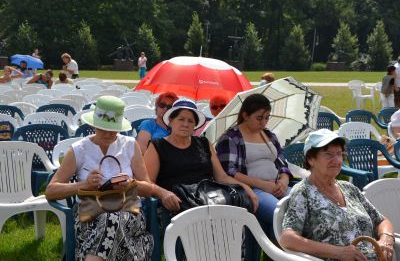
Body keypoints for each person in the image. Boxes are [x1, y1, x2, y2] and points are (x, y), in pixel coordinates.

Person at [45, 96, 159, 260]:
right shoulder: (79, 149)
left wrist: (130, 184)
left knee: (112, 219)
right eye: (102, 128)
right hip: (90, 216)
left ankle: (90, 257)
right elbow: (50, 191)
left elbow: (148, 188)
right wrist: (85, 185)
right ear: (93, 125)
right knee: (110, 220)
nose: (108, 134)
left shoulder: (129, 145)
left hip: (128, 213)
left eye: (113, 129)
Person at [280, 129, 395, 261]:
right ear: (311, 159)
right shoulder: (303, 192)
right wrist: (338, 252)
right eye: (328, 154)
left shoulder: (349, 188)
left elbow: (381, 220)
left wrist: (386, 239)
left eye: (339, 154)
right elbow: (288, 239)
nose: (336, 160)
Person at [143, 98, 258, 213]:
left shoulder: (203, 143)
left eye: (190, 121)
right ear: (171, 120)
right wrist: (163, 193)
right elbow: (147, 181)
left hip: (209, 198)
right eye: (181, 119)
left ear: (195, 125)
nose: (185, 124)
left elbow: (222, 177)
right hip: (176, 204)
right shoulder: (157, 146)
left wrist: (245, 187)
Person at [215, 93, 291, 240]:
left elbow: (282, 163)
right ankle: (278, 253)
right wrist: (262, 184)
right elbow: (229, 172)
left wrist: (283, 181)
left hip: (277, 186)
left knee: (304, 205)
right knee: (280, 215)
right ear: (245, 115)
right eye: (259, 118)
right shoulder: (231, 138)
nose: (264, 122)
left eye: (267, 118)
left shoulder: (269, 135)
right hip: (252, 190)